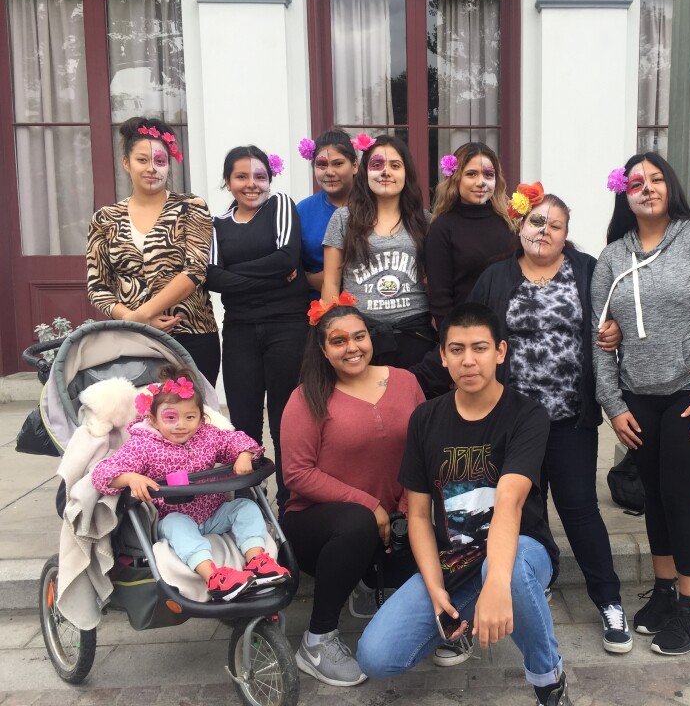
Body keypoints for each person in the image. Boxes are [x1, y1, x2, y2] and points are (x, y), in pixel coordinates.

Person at [357, 302, 570, 706]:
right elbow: (418, 515)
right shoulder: (425, 418)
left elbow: (509, 504)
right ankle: (467, 617)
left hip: (522, 551)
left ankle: (549, 681)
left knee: (506, 571)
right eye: (456, 349)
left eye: (480, 348)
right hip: (454, 561)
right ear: (442, 355)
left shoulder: (526, 415)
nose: (468, 360)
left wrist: (495, 584)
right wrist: (436, 589)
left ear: (501, 352)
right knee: (375, 657)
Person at [468, 184, 630, 654]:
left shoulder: (587, 271)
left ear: (566, 234)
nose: (543, 231)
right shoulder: (496, 277)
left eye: (553, 225)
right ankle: (537, 578)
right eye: (536, 221)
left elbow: (613, 315)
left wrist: (614, 328)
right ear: (521, 226)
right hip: (512, 422)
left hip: (570, 419)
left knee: (580, 509)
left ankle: (609, 600)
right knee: (520, 509)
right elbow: (476, 334)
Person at [592, 152, 690, 656]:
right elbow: (601, 336)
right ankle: (663, 591)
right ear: (624, 194)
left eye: (656, 178)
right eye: (636, 181)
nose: (648, 187)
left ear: (669, 186)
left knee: (680, 496)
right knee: (652, 495)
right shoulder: (614, 255)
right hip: (639, 396)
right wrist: (612, 403)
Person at [280, 294, 424, 687]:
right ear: (323, 349)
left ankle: (379, 591)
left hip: (393, 518)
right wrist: (370, 505)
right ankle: (317, 640)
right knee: (358, 523)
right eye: (338, 341)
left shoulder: (405, 382)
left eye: (359, 337)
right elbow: (296, 474)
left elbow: (423, 452)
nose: (352, 347)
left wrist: (409, 505)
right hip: (320, 525)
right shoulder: (305, 398)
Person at [90, 365, 289, 602]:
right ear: (153, 420)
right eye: (170, 418)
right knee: (176, 524)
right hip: (174, 516)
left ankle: (257, 562)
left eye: (190, 417)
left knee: (245, 507)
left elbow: (236, 439)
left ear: (201, 419)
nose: (181, 425)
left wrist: (244, 455)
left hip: (214, 513)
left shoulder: (208, 436)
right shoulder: (143, 446)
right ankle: (214, 576)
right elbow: (102, 474)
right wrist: (130, 478)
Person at [206, 145, 309, 514]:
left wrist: (236, 276)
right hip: (239, 332)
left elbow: (287, 257)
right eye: (242, 176)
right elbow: (211, 277)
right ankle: (250, 503)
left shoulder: (280, 205)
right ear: (228, 182)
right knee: (244, 421)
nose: (252, 184)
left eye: (260, 176)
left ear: (270, 179)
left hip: (287, 327)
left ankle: (290, 503)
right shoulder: (217, 224)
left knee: (286, 420)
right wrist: (274, 277)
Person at [87, 117, 220, 386]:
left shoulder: (191, 207)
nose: (152, 169)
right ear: (126, 162)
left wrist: (143, 314)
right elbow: (97, 287)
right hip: (132, 340)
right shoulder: (105, 218)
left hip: (191, 333)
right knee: (138, 422)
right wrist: (134, 319)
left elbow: (195, 271)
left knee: (192, 420)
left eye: (160, 161)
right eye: (142, 160)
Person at [321, 134, 436, 368]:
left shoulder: (424, 220)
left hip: (415, 332)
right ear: (365, 172)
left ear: (406, 173)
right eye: (377, 165)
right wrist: (336, 333)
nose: (386, 172)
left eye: (395, 165)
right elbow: (331, 284)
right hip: (361, 334)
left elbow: (436, 279)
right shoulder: (344, 218)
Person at [425, 142, 518, 325]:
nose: (481, 182)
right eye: (471, 174)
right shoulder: (442, 228)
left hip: (511, 329)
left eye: (488, 175)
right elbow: (440, 298)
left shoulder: (510, 223)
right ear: (456, 178)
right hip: (467, 332)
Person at [297, 130, 358, 298]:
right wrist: (310, 279)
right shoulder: (302, 211)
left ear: (355, 165)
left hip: (373, 309)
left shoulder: (374, 207)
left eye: (338, 164)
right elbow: (292, 269)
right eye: (321, 165)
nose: (329, 172)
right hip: (317, 308)